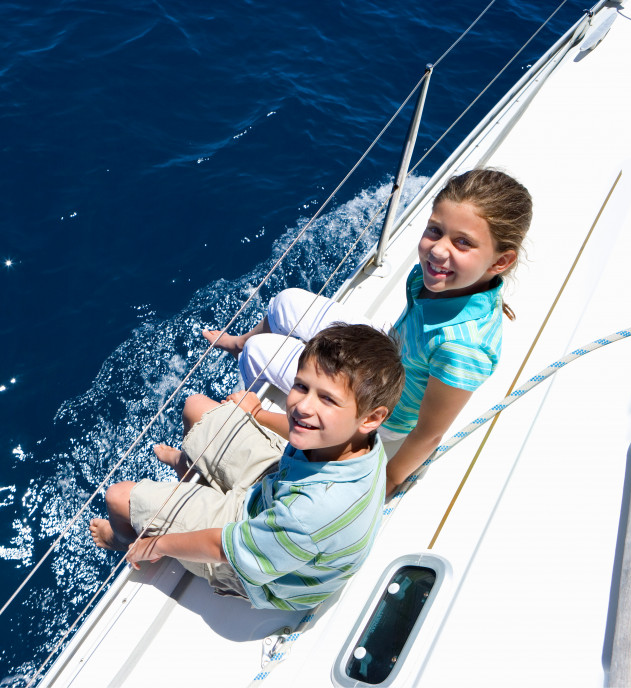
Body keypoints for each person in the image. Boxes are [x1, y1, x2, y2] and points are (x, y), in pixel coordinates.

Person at [202, 168, 532, 495]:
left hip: (381, 405)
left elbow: (428, 434)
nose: (438, 250)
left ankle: (246, 420)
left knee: (259, 352)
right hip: (389, 352)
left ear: (499, 262)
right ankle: (237, 343)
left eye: (463, 243)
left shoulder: (462, 348)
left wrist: (386, 483)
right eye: (435, 230)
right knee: (284, 303)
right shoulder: (445, 280)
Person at [90, 324, 405, 611]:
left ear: (371, 418)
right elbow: (301, 429)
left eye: (327, 399)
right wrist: (258, 413)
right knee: (195, 407)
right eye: (301, 386)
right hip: (274, 493)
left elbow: (222, 547)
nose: (303, 407)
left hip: (258, 565)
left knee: (119, 497)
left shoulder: (311, 513)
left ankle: (123, 540)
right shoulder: (360, 441)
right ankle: (189, 474)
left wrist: (153, 545)